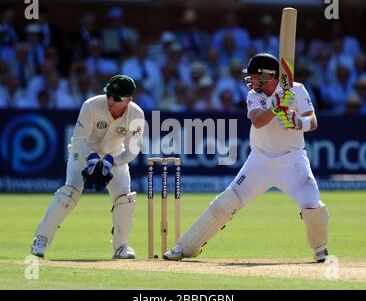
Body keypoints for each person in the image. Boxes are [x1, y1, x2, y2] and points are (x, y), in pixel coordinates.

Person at [163, 53, 330, 263]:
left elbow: (312, 121)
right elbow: (258, 121)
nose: (250, 81)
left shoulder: (296, 89)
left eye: (253, 76)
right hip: (259, 162)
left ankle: (320, 248)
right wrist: (275, 106)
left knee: (312, 205)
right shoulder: (253, 95)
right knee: (224, 204)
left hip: (292, 161)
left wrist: (298, 122)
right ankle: (185, 247)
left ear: (268, 75)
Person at [31, 74, 145, 259]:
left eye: (116, 98)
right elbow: (78, 140)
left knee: (125, 199)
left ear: (129, 100)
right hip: (84, 152)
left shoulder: (137, 114)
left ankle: (121, 247)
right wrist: (92, 158)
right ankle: (41, 239)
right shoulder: (91, 105)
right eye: (108, 95)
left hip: (114, 155)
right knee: (70, 192)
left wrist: (111, 162)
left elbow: (132, 151)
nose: (110, 100)